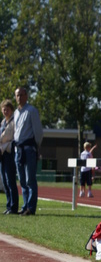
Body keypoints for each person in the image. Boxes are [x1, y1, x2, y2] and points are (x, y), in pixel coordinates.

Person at [14, 87, 44, 216]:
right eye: (17, 95)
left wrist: (36, 147)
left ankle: (31, 208)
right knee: (21, 179)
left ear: (26, 96)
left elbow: (38, 131)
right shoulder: (16, 112)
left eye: (22, 95)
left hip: (29, 148)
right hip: (18, 149)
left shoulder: (31, 111)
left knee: (30, 179)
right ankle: (25, 205)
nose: (19, 97)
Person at [0, 99, 19, 214]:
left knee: (10, 180)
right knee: (5, 181)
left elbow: (7, 137)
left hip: (9, 153)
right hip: (2, 154)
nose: (5, 111)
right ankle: (8, 205)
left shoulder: (13, 122)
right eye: (3, 109)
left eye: (7, 109)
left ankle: (14, 207)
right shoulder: (3, 122)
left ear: (12, 110)